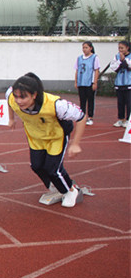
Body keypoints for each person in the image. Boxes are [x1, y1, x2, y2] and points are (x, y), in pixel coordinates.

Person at [7, 72, 86, 208]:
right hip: (35, 137)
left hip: (56, 137)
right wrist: (11, 118)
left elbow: (81, 117)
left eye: (23, 97)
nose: (19, 101)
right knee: (36, 166)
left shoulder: (56, 105)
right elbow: (9, 101)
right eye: (17, 96)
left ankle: (71, 191)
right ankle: (55, 186)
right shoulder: (11, 96)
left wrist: (76, 144)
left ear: (34, 95)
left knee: (53, 170)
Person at [74, 41, 100, 126]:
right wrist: (76, 81)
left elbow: (96, 70)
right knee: (82, 100)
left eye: (86, 47)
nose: (84, 49)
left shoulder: (94, 57)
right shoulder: (79, 58)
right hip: (81, 82)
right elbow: (77, 70)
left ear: (90, 48)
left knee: (90, 100)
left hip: (89, 82)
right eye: (83, 48)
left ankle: (90, 117)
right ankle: (82, 116)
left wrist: (95, 82)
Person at [110, 40, 131, 128]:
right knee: (120, 102)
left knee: (129, 102)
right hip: (119, 83)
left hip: (129, 83)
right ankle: (121, 119)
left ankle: (128, 120)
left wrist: (124, 60)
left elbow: (129, 66)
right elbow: (113, 67)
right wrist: (119, 61)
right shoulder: (117, 56)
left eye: (122, 48)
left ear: (127, 48)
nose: (120, 50)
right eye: (119, 48)